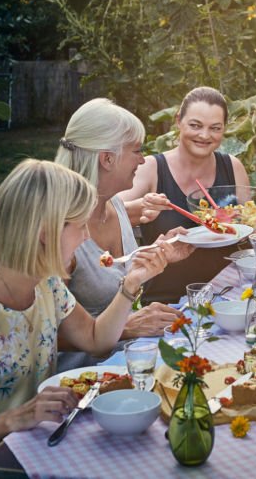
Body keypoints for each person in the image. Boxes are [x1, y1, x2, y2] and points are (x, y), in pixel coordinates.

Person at [0, 160, 167, 476]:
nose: (87, 237)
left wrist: (131, 286)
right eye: (80, 225)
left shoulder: (46, 282)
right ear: (46, 231)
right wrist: (16, 417)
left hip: (32, 445)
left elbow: (97, 341)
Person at [54, 98, 195, 370]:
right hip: (82, 380)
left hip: (129, 359)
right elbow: (38, 332)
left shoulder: (114, 204)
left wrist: (161, 251)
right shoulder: (63, 231)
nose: (143, 160)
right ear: (107, 159)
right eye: (137, 151)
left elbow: (118, 272)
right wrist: (127, 327)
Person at [121, 86, 250, 302]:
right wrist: (141, 206)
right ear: (178, 120)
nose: (205, 135)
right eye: (195, 125)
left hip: (229, 296)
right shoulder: (151, 169)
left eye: (215, 128)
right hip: (165, 302)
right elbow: (108, 215)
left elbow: (247, 230)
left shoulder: (233, 167)